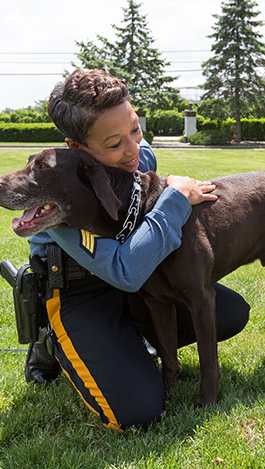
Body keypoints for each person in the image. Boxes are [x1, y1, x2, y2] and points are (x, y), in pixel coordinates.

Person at [25, 69, 250, 431]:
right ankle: (54, 342)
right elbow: (123, 271)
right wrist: (175, 199)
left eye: (135, 129)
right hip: (83, 291)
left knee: (229, 313)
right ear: (77, 149)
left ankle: (127, 343)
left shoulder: (138, 156)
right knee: (136, 412)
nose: (132, 151)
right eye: (114, 144)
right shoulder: (62, 197)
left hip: (140, 281)